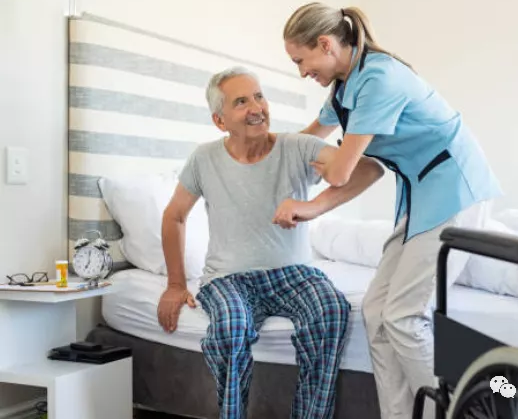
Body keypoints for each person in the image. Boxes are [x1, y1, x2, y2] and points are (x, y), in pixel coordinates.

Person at [283, 2, 503, 419]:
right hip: (421, 196)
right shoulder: (344, 88)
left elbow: (342, 171)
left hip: (455, 190)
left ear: (325, 44)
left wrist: (308, 204)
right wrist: (264, 156)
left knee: (403, 316)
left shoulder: (378, 79)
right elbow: (308, 139)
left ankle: (459, 412)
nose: (301, 72)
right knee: (375, 312)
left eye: (300, 60)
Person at [156, 66, 385, 419]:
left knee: (331, 310)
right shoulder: (204, 158)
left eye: (259, 96)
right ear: (220, 120)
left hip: (293, 274)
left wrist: (313, 206)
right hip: (228, 279)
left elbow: (370, 170)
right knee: (230, 327)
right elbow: (174, 216)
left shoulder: (298, 147)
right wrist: (175, 284)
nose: (257, 108)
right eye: (241, 102)